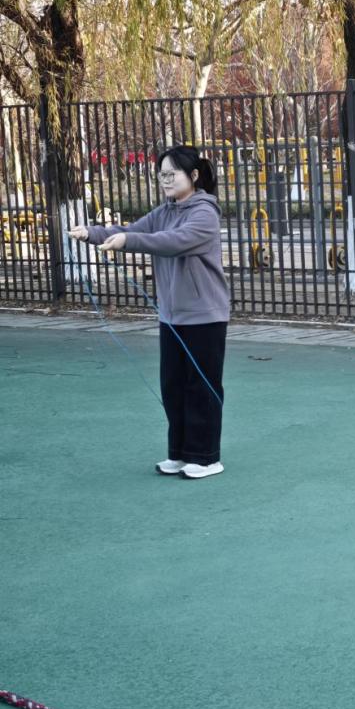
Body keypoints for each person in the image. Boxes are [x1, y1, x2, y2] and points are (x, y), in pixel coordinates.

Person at [69, 145, 229, 480]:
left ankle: (206, 457)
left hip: (205, 316)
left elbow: (172, 242)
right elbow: (134, 229)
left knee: (201, 387)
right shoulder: (163, 211)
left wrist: (127, 241)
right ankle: (180, 453)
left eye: (172, 174)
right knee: (173, 386)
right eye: (162, 175)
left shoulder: (205, 214)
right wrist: (91, 233)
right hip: (171, 315)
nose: (166, 180)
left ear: (194, 176)